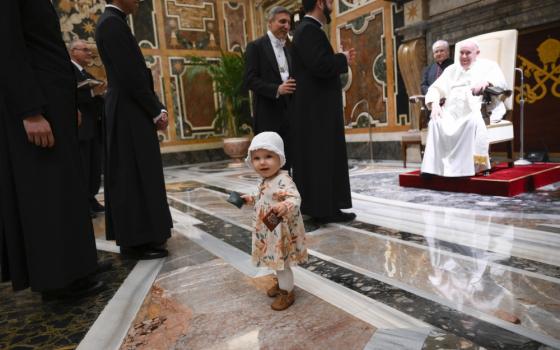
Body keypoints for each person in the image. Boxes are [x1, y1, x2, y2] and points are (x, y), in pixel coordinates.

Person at [0, 0, 104, 298]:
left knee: (67, 189)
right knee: (47, 194)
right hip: (38, 106)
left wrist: (69, 104)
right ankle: (57, 280)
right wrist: (30, 111)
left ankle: (79, 267)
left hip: (54, 104)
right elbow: (8, 49)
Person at [96, 0, 172, 259]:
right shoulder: (111, 24)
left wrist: (155, 106)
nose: (139, 1)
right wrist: (155, 110)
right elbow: (130, 76)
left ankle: (145, 235)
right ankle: (136, 241)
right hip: (128, 110)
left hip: (130, 107)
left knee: (139, 172)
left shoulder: (114, 22)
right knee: (131, 173)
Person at [290, 0, 357, 224]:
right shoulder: (309, 30)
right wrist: (342, 59)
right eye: (329, 1)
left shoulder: (307, 30)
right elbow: (320, 65)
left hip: (315, 110)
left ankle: (323, 206)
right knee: (322, 157)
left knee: (319, 157)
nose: (332, 5)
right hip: (318, 111)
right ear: (320, 3)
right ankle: (324, 209)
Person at [241, 132, 308, 311]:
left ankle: (287, 292)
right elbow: (261, 197)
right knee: (274, 260)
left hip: (281, 233)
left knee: (282, 264)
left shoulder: (284, 180)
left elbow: (295, 198)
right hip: (269, 231)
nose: (262, 162)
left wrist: (286, 205)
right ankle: (281, 284)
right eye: (257, 158)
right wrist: (250, 198)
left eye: (268, 156)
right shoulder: (265, 180)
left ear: (280, 158)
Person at [421, 40, 508, 177]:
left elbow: (502, 83)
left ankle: (467, 169)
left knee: (471, 123)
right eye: (462, 53)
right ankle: (433, 169)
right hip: (451, 109)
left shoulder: (488, 66)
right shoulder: (451, 69)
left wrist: (486, 82)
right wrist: (435, 104)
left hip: (474, 107)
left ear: (477, 53)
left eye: (468, 53)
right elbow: (435, 89)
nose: (464, 56)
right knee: (435, 122)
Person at [243, 6, 295, 170]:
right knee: (270, 165)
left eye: (288, 22)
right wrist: (277, 90)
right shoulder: (256, 47)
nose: (286, 26)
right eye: (282, 21)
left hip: (290, 113)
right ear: (270, 23)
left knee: (289, 161)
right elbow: (249, 80)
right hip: (267, 115)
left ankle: (288, 194)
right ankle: (272, 195)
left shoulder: (289, 48)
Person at [69, 39, 105, 218]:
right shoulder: (68, 71)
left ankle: (91, 198)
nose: (89, 53)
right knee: (83, 166)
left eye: (89, 50)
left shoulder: (86, 73)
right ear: (73, 51)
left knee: (93, 166)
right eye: (85, 50)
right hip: (80, 126)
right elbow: (70, 95)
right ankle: (83, 203)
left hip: (93, 126)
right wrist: (92, 92)